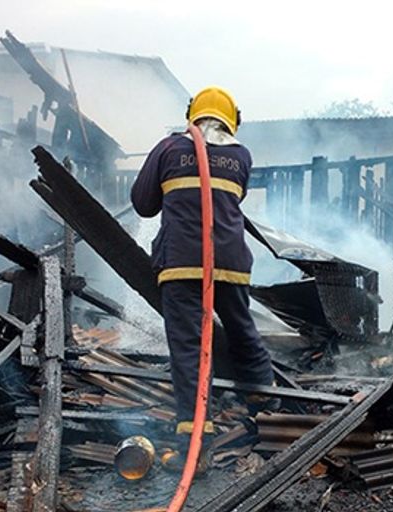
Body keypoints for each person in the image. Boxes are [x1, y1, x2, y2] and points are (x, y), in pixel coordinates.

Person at [131, 86, 274, 470]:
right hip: (230, 263)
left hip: (182, 264)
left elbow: (143, 204)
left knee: (189, 349)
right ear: (233, 119)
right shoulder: (241, 156)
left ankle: (195, 441)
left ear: (191, 114)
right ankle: (270, 409)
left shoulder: (168, 148)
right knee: (243, 331)